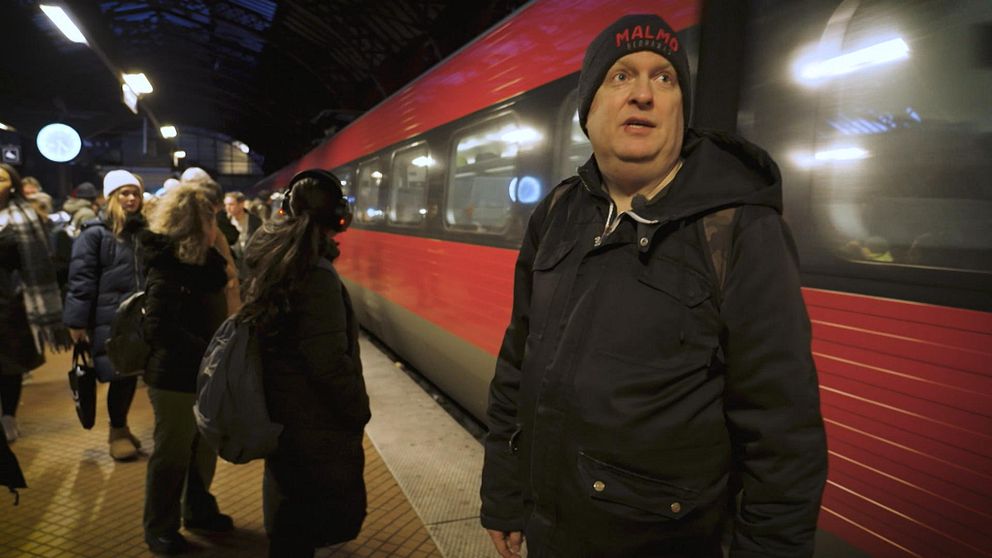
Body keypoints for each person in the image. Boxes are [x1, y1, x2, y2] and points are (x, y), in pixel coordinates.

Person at [480, 14, 827, 558]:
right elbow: (516, 365)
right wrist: (503, 493)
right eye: (621, 75)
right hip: (550, 534)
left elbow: (782, 430)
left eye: (664, 78)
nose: (643, 93)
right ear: (588, 108)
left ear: (680, 110)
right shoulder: (557, 213)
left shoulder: (738, 228)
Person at [240, 169, 370, 558]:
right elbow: (328, 362)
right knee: (301, 520)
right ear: (339, 218)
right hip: (311, 418)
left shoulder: (275, 259)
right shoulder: (316, 274)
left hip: (282, 409)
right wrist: (357, 408)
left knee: (288, 510)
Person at [140, 184, 234, 554]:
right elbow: (158, 329)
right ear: (195, 224)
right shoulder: (166, 266)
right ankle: (159, 527)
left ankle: (198, 509)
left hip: (204, 374)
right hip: (174, 378)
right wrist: (208, 351)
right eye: (211, 220)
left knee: (203, 448)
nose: (215, 227)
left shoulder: (208, 264)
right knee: (173, 453)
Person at [62, 169, 147, 461]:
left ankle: (122, 428)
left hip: (140, 317)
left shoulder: (144, 232)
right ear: (111, 197)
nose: (131, 198)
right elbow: (81, 280)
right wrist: (76, 322)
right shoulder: (94, 233)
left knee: (131, 375)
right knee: (119, 376)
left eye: (135, 193)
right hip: (110, 319)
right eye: (124, 193)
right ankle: (117, 431)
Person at [0, 164, 71, 442]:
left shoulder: (26, 216)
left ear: (13, 185)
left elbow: (40, 262)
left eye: (2, 179)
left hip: (12, 301)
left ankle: (8, 416)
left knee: (10, 363)